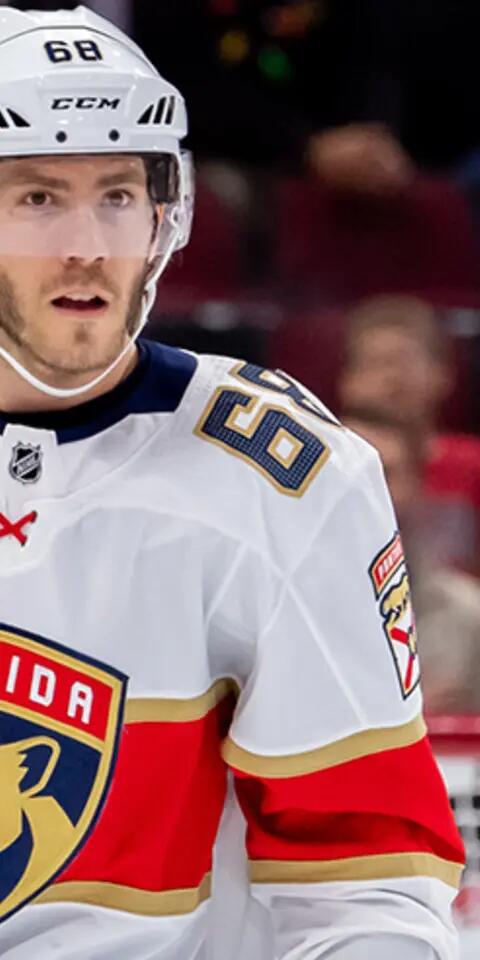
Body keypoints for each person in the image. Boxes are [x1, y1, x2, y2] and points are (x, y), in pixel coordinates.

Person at [0, 7, 464, 960]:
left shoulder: (280, 473)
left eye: (118, 196)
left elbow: (366, 883)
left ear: (168, 214)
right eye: (38, 198)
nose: (86, 243)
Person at [343, 408, 480, 716]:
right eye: (347, 476)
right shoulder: (262, 613)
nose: (366, 492)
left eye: (384, 474)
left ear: (418, 484)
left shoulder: (469, 617)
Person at [339, 294, 480, 570]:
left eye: (404, 362)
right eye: (376, 363)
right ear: (347, 382)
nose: (392, 378)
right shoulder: (328, 464)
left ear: (443, 374)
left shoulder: (473, 466)